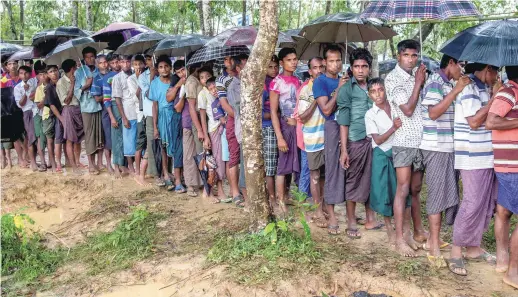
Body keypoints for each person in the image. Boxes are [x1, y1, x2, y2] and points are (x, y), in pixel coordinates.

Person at [448, 62, 500, 276]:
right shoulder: (468, 87)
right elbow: (474, 121)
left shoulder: (483, 88)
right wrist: (495, 99)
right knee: (472, 202)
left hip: (485, 155)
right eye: (495, 71)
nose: (497, 76)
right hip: (472, 156)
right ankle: (455, 251)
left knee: (485, 204)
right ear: (487, 68)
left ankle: (474, 247)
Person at [420, 54, 470, 267]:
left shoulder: (447, 83)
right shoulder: (434, 83)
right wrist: (457, 90)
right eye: (461, 65)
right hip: (435, 147)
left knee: (447, 193)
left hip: (449, 146)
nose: (463, 69)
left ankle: (434, 239)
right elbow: (433, 113)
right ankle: (433, 247)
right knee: (436, 195)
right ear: (450, 63)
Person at [385, 39, 427, 257]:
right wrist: (418, 82)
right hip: (403, 142)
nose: (411, 59)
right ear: (398, 56)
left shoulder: (416, 76)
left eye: (414, 55)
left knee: (416, 189)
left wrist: (420, 81)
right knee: (403, 189)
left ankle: (416, 231)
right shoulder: (392, 79)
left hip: (420, 141)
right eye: (407, 55)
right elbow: (408, 110)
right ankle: (400, 239)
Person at [337, 48, 382, 239]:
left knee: (372, 179)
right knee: (353, 180)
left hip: (375, 140)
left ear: (369, 68)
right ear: (351, 68)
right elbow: (344, 121)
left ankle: (371, 218)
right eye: (357, 66)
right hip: (355, 140)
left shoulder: (376, 87)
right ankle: (351, 221)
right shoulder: (347, 89)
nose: (361, 70)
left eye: (364, 66)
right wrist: (344, 149)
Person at [365, 77, 407, 245]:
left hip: (400, 152)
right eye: (373, 91)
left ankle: (404, 230)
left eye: (380, 90)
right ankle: (390, 230)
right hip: (382, 154)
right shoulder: (370, 114)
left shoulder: (396, 107)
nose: (378, 94)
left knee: (402, 191)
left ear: (385, 90)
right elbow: (379, 140)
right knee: (384, 193)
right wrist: (394, 128)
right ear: (369, 95)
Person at [486, 65, 518, 289]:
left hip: (510, 164)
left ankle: (503, 259)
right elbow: (491, 121)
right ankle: (514, 272)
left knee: (504, 211)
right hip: (511, 166)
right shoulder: (509, 92)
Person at [312, 44, 347, 235]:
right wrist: (339, 89)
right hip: (332, 128)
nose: (335, 64)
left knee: (348, 171)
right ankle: (332, 215)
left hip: (348, 128)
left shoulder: (346, 78)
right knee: (331, 173)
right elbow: (325, 109)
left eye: (338, 60)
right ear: (324, 62)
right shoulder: (321, 82)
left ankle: (350, 216)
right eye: (331, 61)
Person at [295, 57, 326, 226]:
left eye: (321, 66)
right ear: (310, 71)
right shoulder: (306, 90)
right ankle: (316, 211)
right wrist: (317, 98)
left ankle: (323, 207)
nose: (319, 70)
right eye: (315, 67)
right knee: (312, 176)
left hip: (328, 138)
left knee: (324, 176)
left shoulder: (330, 84)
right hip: (312, 139)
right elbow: (303, 117)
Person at [270, 48, 301, 214]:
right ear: (281, 62)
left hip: (297, 127)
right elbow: (275, 112)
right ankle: (280, 200)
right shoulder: (276, 83)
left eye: (295, 59)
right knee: (283, 165)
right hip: (284, 126)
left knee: (293, 162)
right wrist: (279, 137)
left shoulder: (298, 80)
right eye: (289, 60)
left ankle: (288, 195)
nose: (293, 62)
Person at [150, 55, 182, 191]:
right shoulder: (155, 83)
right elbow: (155, 106)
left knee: (176, 145)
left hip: (175, 115)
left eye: (166, 66)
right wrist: (155, 126)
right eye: (161, 67)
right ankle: (165, 174)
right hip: (162, 117)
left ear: (170, 68)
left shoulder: (175, 81)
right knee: (163, 146)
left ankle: (178, 175)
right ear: (157, 69)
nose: (164, 69)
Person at [198, 68, 228, 202]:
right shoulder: (202, 95)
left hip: (220, 129)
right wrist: (205, 136)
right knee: (212, 162)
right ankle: (207, 192)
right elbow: (203, 117)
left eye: (208, 76)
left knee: (219, 161)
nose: (205, 79)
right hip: (212, 130)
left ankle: (219, 190)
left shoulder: (218, 94)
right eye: (202, 77)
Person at [75, 46, 103, 175]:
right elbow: (76, 92)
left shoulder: (99, 70)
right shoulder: (79, 72)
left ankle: (99, 162)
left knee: (99, 135)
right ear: (84, 59)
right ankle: (91, 164)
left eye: (92, 56)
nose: (90, 59)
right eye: (87, 57)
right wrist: (86, 85)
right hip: (86, 107)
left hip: (99, 105)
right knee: (90, 135)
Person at [217, 55, 241, 205]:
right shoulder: (221, 80)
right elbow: (224, 103)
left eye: (232, 58)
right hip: (233, 118)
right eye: (226, 59)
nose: (230, 62)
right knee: (234, 155)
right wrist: (238, 115)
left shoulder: (244, 73)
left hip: (248, 117)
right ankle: (235, 191)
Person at [228, 54, 249, 207]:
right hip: (244, 129)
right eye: (244, 65)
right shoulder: (234, 86)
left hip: (254, 130)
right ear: (237, 68)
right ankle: (246, 197)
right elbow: (240, 108)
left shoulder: (251, 82)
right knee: (245, 164)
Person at [56, 59, 84, 175]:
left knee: (78, 139)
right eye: (75, 67)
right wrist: (72, 84)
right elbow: (66, 101)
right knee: (69, 140)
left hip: (79, 109)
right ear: (72, 69)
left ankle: (77, 162)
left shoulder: (78, 78)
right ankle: (73, 167)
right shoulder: (61, 82)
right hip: (68, 110)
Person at [113, 55, 138, 175]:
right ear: (119, 63)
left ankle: (137, 166)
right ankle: (130, 166)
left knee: (138, 138)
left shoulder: (136, 74)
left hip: (138, 110)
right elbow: (117, 99)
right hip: (127, 111)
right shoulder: (117, 78)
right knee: (128, 140)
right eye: (123, 62)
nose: (126, 64)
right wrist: (123, 117)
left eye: (128, 61)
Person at [104, 54, 128, 178]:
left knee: (125, 138)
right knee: (116, 138)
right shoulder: (108, 78)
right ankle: (117, 166)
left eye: (117, 62)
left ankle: (124, 165)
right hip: (114, 106)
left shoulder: (127, 75)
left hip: (125, 105)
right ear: (109, 64)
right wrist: (112, 117)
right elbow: (106, 99)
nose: (116, 65)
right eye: (112, 63)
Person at [181, 60, 203, 196]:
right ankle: (190, 184)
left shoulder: (197, 80)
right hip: (191, 122)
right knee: (190, 153)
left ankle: (200, 182)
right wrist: (199, 128)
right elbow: (191, 107)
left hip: (199, 120)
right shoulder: (191, 82)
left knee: (199, 152)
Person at [138, 54, 159, 183]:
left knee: (161, 145)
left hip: (161, 113)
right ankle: (144, 174)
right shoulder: (142, 77)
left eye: (152, 58)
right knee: (151, 145)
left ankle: (160, 172)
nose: (151, 61)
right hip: (150, 114)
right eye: (148, 59)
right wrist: (152, 76)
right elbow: (150, 94)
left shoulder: (163, 73)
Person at [1, 59, 27, 169]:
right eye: (10, 64)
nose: (12, 66)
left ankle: (26, 156)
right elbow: (2, 98)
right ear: (6, 66)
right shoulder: (3, 79)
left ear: (18, 64)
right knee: (16, 137)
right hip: (10, 111)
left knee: (27, 135)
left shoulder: (22, 76)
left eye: (14, 63)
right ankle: (21, 159)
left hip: (24, 109)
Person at [91, 54, 114, 173]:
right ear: (97, 65)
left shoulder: (114, 74)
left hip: (117, 108)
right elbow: (96, 98)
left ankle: (119, 164)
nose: (104, 65)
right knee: (108, 138)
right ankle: (109, 164)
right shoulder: (96, 78)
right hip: (105, 110)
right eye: (100, 63)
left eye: (105, 62)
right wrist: (108, 94)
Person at [128, 55, 149, 186]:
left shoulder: (148, 75)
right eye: (135, 64)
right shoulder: (131, 79)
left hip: (148, 112)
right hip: (140, 113)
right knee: (140, 143)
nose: (138, 67)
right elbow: (136, 96)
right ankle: (137, 171)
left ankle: (146, 170)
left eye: (140, 64)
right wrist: (139, 80)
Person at [262, 55, 280, 207]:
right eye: (270, 67)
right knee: (270, 165)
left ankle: (282, 195)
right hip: (268, 126)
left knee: (278, 163)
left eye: (276, 67)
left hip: (279, 125)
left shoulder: (279, 81)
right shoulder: (263, 85)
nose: (274, 70)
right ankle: (272, 198)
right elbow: (258, 113)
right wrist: (277, 113)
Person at [13, 65, 38, 171]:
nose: (24, 75)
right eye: (21, 73)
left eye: (26, 73)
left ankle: (41, 160)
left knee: (40, 137)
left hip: (38, 110)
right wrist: (25, 92)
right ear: (19, 75)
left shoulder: (34, 81)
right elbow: (20, 104)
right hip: (27, 112)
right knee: (31, 137)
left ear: (30, 73)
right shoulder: (17, 88)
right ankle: (33, 162)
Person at [42, 64, 62, 173]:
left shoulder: (61, 83)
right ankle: (54, 164)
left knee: (60, 139)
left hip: (61, 113)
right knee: (51, 140)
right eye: (50, 72)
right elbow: (52, 105)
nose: (53, 73)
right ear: (47, 75)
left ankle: (61, 162)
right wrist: (61, 117)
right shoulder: (49, 87)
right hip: (51, 115)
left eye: (55, 70)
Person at [33, 60, 48, 172]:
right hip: (38, 114)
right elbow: (36, 102)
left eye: (44, 72)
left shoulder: (50, 83)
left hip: (48, 113)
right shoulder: (34, 82)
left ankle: (51, 161)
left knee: (50, 138)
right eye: (40, 73)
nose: (43, 75)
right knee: (40, 138)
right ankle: (43, 162)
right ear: (37, 74)